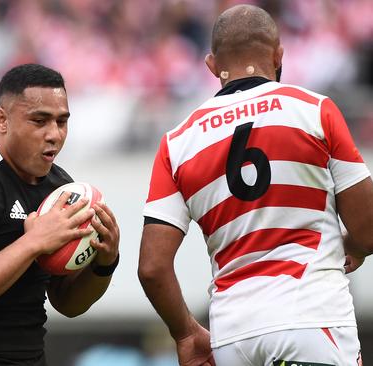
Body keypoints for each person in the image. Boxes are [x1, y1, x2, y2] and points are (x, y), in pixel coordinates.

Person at [138, 4, 373, 366]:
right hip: (312, 320)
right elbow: (368, 228)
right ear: (279, 55)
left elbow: (152, 267)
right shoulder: (315, 111)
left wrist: (185, 332)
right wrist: (349, 247)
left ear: (212, 65)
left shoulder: (177, 142)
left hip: (232, 337)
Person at [0, 63, 120, 366]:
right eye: (39, 121)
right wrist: (33, 243)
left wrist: (105, 264)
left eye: (62, 121)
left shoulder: (60, 187)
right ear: (2, 120)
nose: (54, 134)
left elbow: (66, 302)